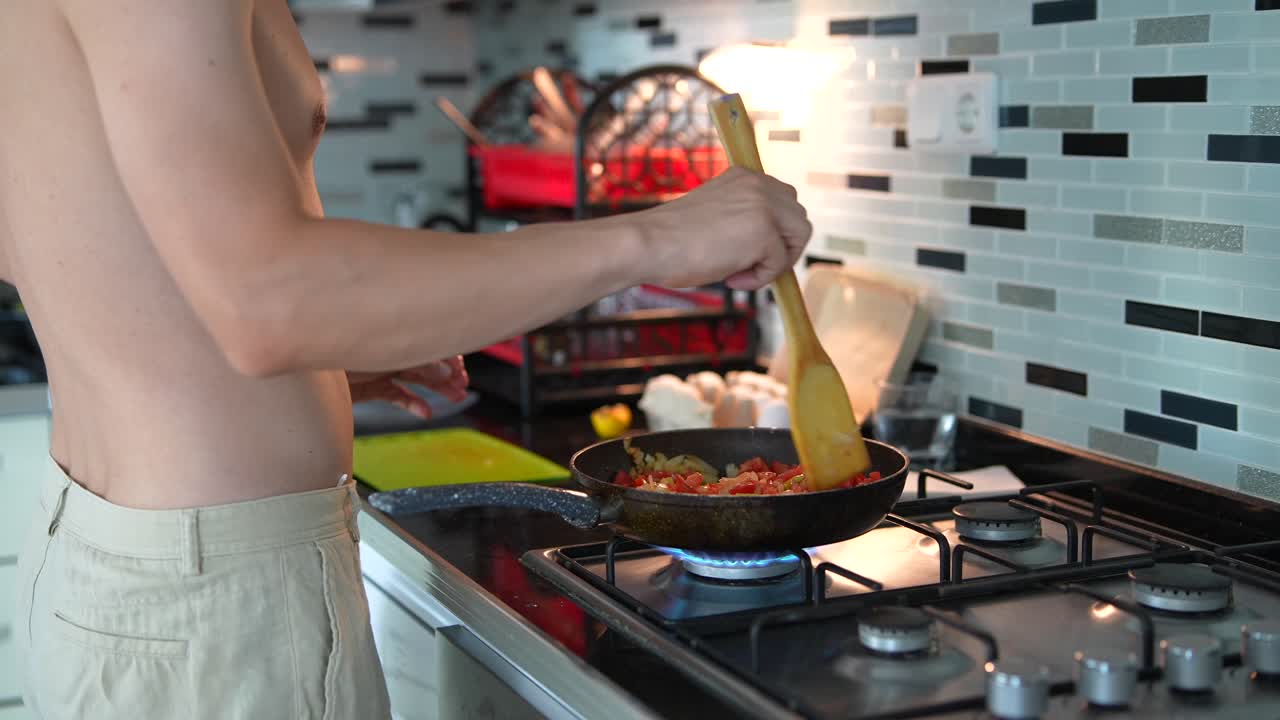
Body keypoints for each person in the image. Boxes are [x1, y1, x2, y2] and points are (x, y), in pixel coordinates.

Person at [0, 0, 811, 718]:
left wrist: (318, 362)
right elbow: (271, 300)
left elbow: (46, 236)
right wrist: (656, 235)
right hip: (210, 598)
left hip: (129, 572)